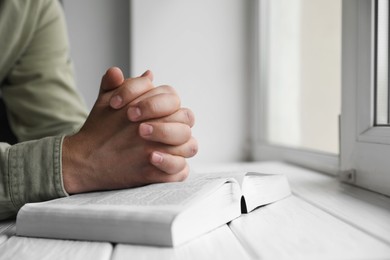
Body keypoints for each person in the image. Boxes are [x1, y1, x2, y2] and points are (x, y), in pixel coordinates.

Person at [0, 0, 197, 220]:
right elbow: (82, 155)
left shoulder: (33, 8)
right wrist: (77, 162)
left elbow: (59, 128)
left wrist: (135, 142)